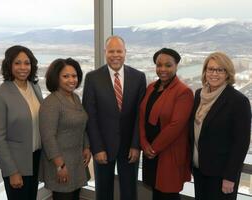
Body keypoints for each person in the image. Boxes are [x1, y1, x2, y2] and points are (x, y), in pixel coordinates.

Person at [82, 35, 146, 200]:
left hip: (129, 147)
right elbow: (90, 116)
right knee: (103, 191)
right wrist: (97, 148)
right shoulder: (92, 78)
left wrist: (135, 145)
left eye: (119, 51)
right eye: (111, 51)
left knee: (129, 191)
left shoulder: (139, 77)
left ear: (125, 52)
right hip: (103, 147)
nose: (115, 55)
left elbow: (141, 115)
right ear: (105, 52)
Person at [189, 52, 251, 200]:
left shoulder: (238, 101)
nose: (214, 73)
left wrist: (230, 177)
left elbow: (241, 143)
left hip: (221, 175)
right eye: (210, 69)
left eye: (220, 70)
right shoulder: (199, 94)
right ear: (205, 72)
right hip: (199, 170)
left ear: (227, 73)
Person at [0, 45, 43, 200]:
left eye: (27, 63)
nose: (23, 67)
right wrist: (12, 171)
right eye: (17, 63)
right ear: (9, 65)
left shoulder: (35, 88)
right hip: (16, 164)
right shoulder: (0, 95)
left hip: (36, 159)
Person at [139, 48, 194, 200]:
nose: (162, 69)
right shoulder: (151, 87)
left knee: (168, 194)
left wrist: (153, 148)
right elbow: (142, 116)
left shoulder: (183, 92)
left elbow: (176, 126)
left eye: (168, 65)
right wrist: (144, 143)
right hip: (151, 152)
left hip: (168, 153)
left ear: (176, 66)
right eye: (159, 65)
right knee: (156, 192)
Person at [39, 58, 91, 200]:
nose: (71, 80)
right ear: (56, 78)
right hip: (60, 163)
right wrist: (60, 166)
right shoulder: (51, 103)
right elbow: (48, 137)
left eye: (74, 76)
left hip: (76, 161)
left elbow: (82, 125)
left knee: (74, 196)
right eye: (65, 76)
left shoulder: (75, 98)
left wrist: (86, 147)